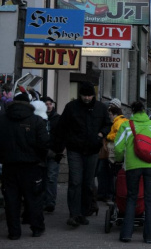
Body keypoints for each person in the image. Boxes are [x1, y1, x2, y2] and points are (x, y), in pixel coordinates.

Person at [55, 81, 110, 228]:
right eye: (84, 95)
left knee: (87, 183)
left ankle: (84, 212)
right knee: (75, 181)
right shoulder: (71, 107)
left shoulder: (100, 108)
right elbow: (61, 127)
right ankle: (74, 214)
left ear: (94, 95)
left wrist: (101, 134)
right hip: (75, 149)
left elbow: (108, 124)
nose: (87, 98)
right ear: (80, 95)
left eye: (89, 95)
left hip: (92, 150)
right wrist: (60, 147)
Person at [114, 101, 151, 243]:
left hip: (132, 166)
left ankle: (126, 234)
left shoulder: (126, 125)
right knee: (149, 199)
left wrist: (120, 159)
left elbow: (118, 148)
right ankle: (149, 236)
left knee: (131, 197)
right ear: (145, 111)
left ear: (132, 111)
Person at [0, 91, 50, 239]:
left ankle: (14, 232)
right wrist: (40, 158)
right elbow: (44, 143)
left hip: (9, 166)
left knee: (11, 200)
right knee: (34, 198)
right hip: (31, 166)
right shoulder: (36, 121)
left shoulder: (2, 120)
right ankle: (37, 228)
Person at [99, 99, 126, 203]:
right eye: (109, 105)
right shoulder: (110, 120)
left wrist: (108, 136)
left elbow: (118, 134)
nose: (109, 108)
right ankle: (104, 193)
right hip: (107, 150)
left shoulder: (118, 121)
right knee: (103, 172)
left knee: (111, 174)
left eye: (113, 106)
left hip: (113, 151)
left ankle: (110, 194)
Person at [41, 97, 61, 213]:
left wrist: (58, 150)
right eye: (46, 104)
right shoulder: (39, 118)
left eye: (50, 104)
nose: (49, 106)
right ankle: (44, 201)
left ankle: (50, 202)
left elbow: (62, 135)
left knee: (51, 178)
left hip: (54, 152)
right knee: (43, 177)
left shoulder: (57, 119)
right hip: (42, 152)